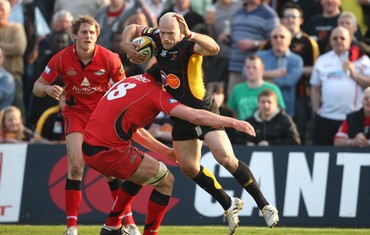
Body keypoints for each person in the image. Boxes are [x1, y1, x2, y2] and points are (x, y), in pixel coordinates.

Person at [122, 12, 279, 234]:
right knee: (188, 167)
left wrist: (191, 34)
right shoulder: (157, 36)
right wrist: (126, 45)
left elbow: (214, 48)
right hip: (180, 114)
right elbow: (134, 27)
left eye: (171, 34)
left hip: (203, 109)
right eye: (163, 33)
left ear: (180, 31)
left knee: (225, 158)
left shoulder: (188, 45)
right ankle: (228, 203)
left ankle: (265, 205)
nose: (166, 38)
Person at [83, 66, 257, 235]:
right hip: (111, 152)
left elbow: (135, 131)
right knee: (166, 181)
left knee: (141, 174)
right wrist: (234, 122)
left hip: (89, 147)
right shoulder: (155, 93)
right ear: (167, 80)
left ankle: (112, 227)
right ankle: (135, 231)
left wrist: (165, 151)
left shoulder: (131, 81)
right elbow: (195, 116)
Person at [32, 15, 139, 235]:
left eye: (91, 32)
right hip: (75, 114)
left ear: (97, 35)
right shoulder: (61, 59)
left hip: (102, 117)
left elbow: (124, 91)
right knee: (75, 166)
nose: (88, 36)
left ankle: (128, 223)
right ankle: (71, 227)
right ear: (74, 36)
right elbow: (37, 86)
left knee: (111, 171)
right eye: (83, 32)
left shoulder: (110, 58)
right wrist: (47, 89)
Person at [310, 26, 370, 146]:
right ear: (330, 41)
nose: (339, 41)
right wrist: (316, 111)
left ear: (350, 39)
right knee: (323, 154)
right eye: (335, 38)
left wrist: (354, 74)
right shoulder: (322, 60)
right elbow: (315, 88)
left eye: (342, 38)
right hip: (326, 118)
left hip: (352, 118)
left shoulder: (361, 59)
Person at [280, 3, 320, 145]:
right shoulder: (275, 37)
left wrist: (294, 72)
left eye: (294, 17)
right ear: (282, 20)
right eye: (287, 17)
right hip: (276, 91)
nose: (290, 20)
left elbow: (317, 68)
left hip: (301, 92)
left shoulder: (309, 42)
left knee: (300, 126)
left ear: (301, 20)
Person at [226, 0, 279, 96]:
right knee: (234, 104)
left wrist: (254, 43)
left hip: (254, 70)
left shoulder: (269, 14)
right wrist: (227, 38)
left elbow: (275, 40)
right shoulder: (239, 11)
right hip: (235, 68)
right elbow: (235, 38)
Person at [256, 24, 303, 117]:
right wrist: (274, 73)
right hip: (259, 108)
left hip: (285, 108)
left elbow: (289, 82)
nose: (278, 39)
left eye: (282, 37)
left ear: (289, 40)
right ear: (271, 40)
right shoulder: (260, 56)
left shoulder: (296, 60)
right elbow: (246, 75)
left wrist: (262, 78)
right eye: (275, 37)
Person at [228, 54, 286, 120]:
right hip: (243, 128)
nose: (251, 70)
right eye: (248, 67)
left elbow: (281, 113)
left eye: (254, 67)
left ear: (262, 69)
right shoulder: (237, 89)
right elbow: (231, 112)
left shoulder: (273, 89)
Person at [0, 0, 27, 123]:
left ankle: (23, 137)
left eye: (2, 10)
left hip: (13, 74)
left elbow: (19, 48)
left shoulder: (16, 27)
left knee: (17, 110)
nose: (0, 12)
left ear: (9, 12)